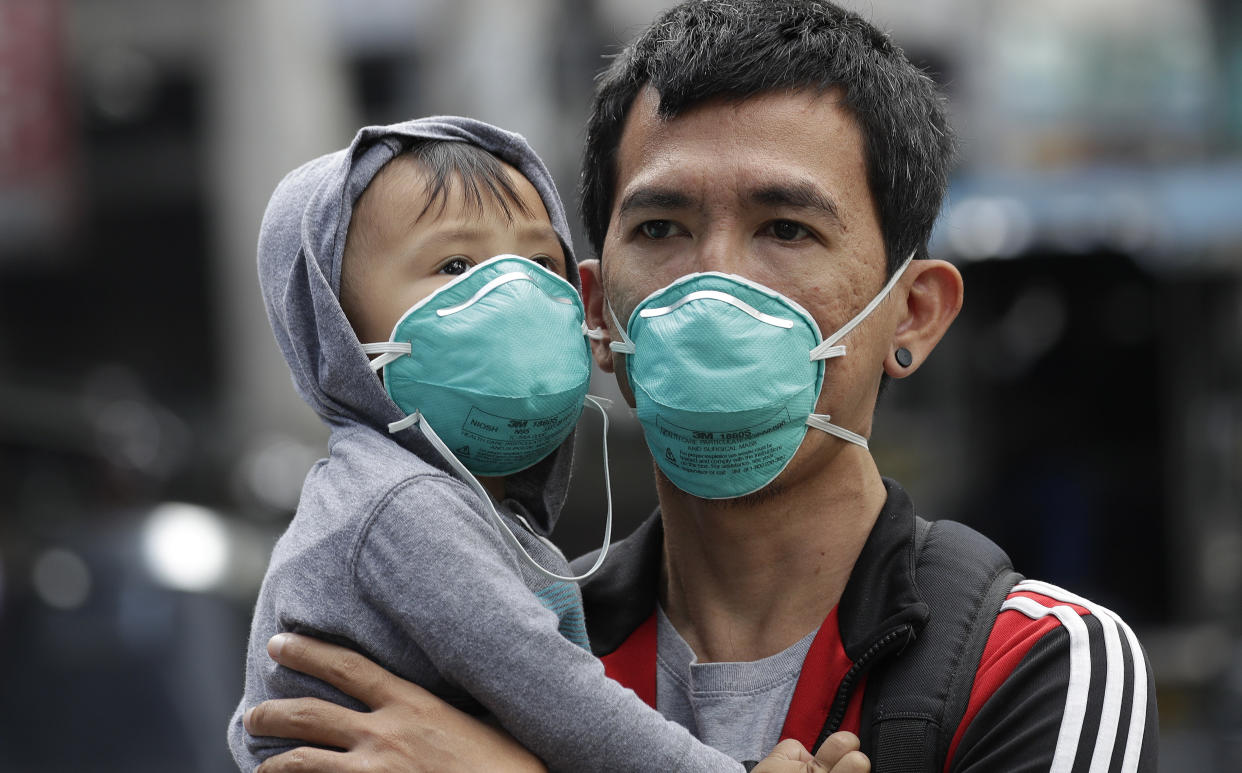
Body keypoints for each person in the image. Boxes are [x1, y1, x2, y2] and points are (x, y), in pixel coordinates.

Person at [243, 0, 1159, 772]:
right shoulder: (503, 645)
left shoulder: (1034, 661)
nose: (711, 281)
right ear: (594, 312)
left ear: (912, 312)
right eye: (661, 229)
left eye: (786, 229)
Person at [228, 114, 867, 773]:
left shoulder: (458, 509)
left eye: (538, 262)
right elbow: (556, 695)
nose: (517, 294)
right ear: (334, 326)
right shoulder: (399, 505)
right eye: (455, 264)